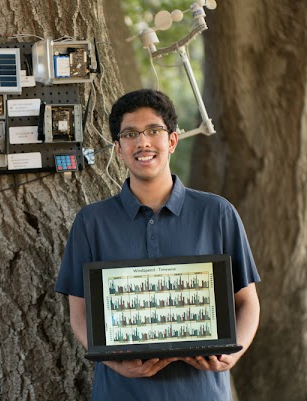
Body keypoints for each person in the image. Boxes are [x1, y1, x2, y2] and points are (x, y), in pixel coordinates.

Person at [55, 89, 260, 400]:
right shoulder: (91, 222)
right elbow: (80, 314)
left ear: (172, 141)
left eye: (154, 131)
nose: (143, 142)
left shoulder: (217, 213)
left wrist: (233, 354)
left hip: (202, 393)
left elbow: (247, 303)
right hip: (121, 393)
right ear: (118, 148)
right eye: (130, 134)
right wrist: (115, 362)